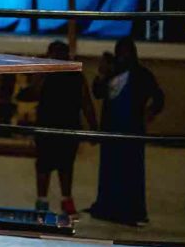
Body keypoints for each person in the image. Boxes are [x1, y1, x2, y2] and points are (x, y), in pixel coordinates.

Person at [90, 38, 165, 225]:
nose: (123, 56)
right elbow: (98, 92)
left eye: (126, 52)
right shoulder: (112, 73)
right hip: (110, 129)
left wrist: (150, 113)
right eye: (120, 52)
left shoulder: (141, 74)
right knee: (109, 171)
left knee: (130, 171)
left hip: (132, 130)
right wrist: (100, 75)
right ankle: (108, 207)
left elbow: (158, 96)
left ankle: (131, 210)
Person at [17, 42, 97, 216]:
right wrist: (93, 128)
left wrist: (93, 128)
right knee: (55, 166)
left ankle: (55, 200)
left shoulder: (71, 75)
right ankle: (50, 201)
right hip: (54, 125)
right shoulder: (64, 74)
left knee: (58, 165)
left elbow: (86, 103)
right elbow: (87, 104)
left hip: (60, 126)